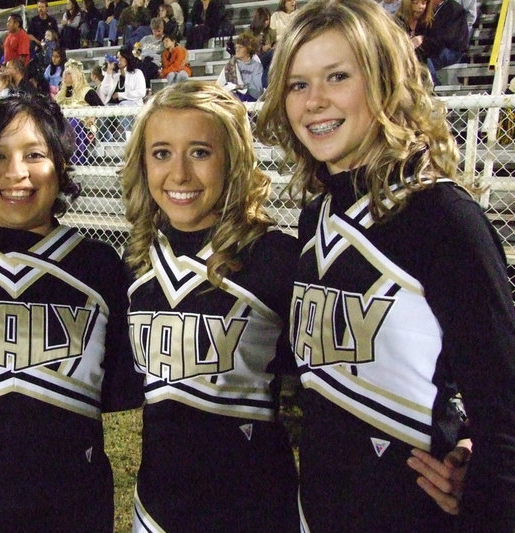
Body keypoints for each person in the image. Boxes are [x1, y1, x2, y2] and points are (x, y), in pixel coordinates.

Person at [254, 0, 515, 530]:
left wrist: (475, 466)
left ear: (385, 81)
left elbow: (504, 408)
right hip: (320, 511)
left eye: (338, 76)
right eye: (298, 84)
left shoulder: (443, 217)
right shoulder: (315, 219)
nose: (314, 101)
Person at [0, 92, 142, 532]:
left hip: (70, 512)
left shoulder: (98, 266)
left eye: (35, 154)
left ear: (61, 166)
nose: (15, 173)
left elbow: (117, 387)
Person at [121, 80, 299, 532]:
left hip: (255, 508)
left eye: (199, 152)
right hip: (159, 508)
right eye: (161, 153)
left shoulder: (276, 259)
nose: (179, 174)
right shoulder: (136, 262)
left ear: (233, 160)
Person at [419, 0, 468, 85]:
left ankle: (434, 86)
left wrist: (425, 42)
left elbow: (447, 38)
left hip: (452, 51)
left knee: (424, 59)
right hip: (434, 46)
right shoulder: (427, 8)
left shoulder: (454, 8)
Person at [216, 33, 262, 101]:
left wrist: (237, 87)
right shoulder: (230, 65)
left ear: (248, 48)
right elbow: (219, 85)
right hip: (234, 97)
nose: (237, 50)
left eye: (240, 47)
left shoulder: (256, 63)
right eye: (236, 47)